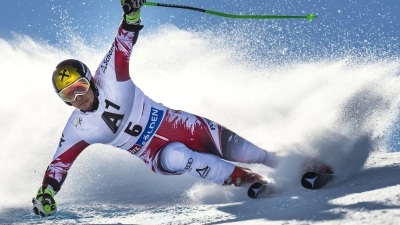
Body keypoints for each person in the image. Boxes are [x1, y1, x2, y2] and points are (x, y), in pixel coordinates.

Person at [32, 0, 280, 217]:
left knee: (249, 152)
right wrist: (46, 193)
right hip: (155, 154)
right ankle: (245, 179)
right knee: (180, 157)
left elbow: (123, 41)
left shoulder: (109, 76)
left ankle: (291, 164)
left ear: (91, 80)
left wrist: (131, 15)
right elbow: (59, 165)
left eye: (80, 87)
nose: (78, 98)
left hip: (179, 125)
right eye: (68, 95)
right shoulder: (78, 128)